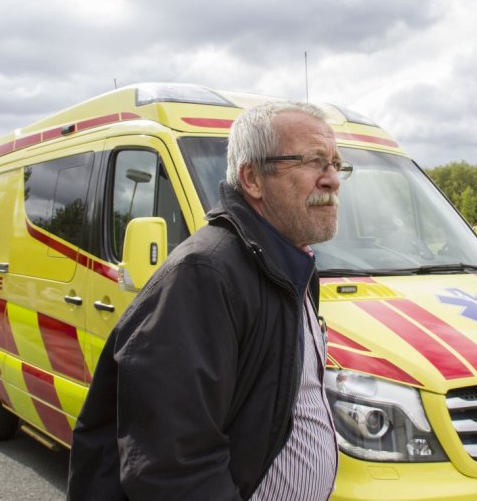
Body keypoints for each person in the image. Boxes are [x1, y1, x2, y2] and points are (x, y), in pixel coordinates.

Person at [67, 101, 350, 500]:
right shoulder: (206, 273)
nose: (332, 180)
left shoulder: (289, 266)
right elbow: (174, 464)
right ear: (252, 178)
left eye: (337, 165)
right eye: (315, 162)